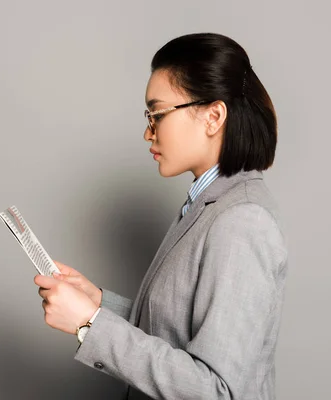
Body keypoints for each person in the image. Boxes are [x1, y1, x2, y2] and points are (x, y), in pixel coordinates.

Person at [34, 32, 288, 400]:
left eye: (158, 114)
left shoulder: (243, 221)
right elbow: (175, 331)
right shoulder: (208, 204)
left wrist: (90, 324)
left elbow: (216, 391)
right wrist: (97, 303)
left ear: (213, 116)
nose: (147, 132)